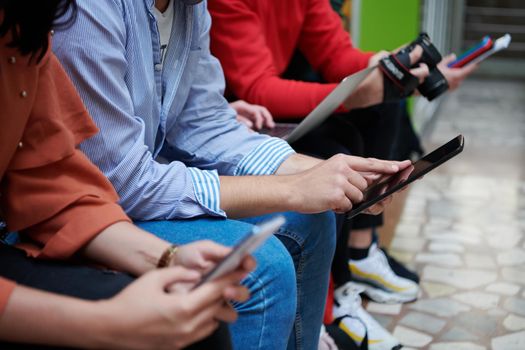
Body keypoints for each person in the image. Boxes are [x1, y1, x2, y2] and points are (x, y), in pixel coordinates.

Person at [51, 0, 411, 349]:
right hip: (86, 205)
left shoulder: (190, 7)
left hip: (135, 179)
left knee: (314, 214)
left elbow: (204, 121)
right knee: (263, 268)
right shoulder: (92, 10)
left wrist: (322, 173)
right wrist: (292, 188)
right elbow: (123, 181)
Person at [207, 0, 478, 348]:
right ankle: (332, 301)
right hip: (248, 118)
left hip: (236, 121)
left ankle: (357, 259)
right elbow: (254, 91)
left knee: (374, 115)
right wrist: (351, 97)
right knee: (335, 160)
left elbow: (335, 53)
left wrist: (382, 65)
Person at [0, 1, 252, 348]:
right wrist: (102, 324)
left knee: (201, 317)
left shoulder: (23, 24)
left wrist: (169, 258)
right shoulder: (89, 12)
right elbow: (124, 178)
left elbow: (52, 183)